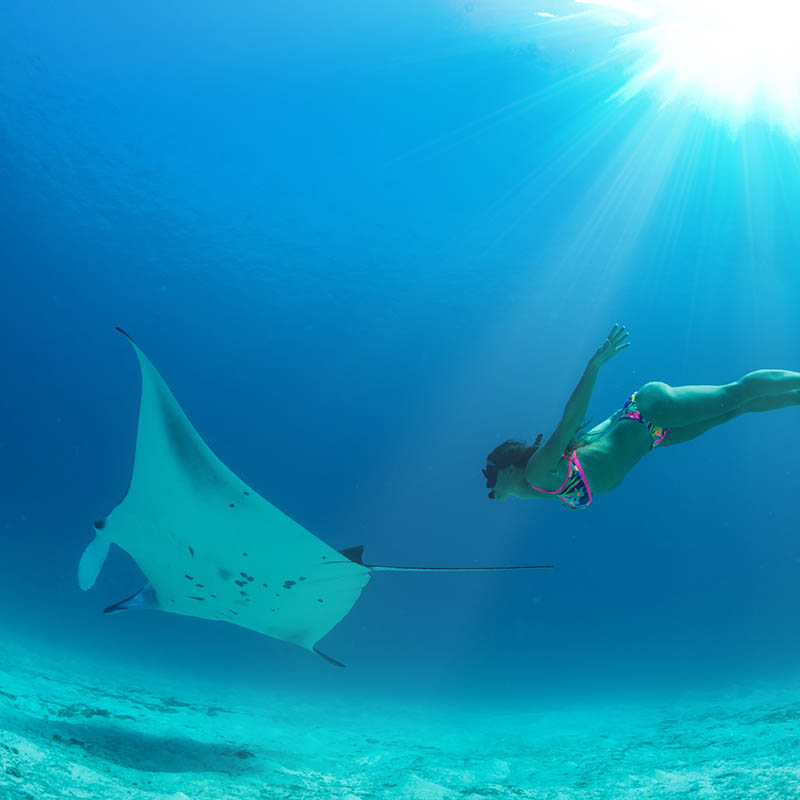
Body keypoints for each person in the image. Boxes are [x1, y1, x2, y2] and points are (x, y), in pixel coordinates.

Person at [483, 324, 800, 508]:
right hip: (654, 436)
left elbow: (568, 423)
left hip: (647, 410)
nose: (488, 487)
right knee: (735, 409)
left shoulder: (539, 470)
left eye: (490, 476)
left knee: (734, 394)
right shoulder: (539, 487)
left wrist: (594, 366)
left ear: (507, 466)